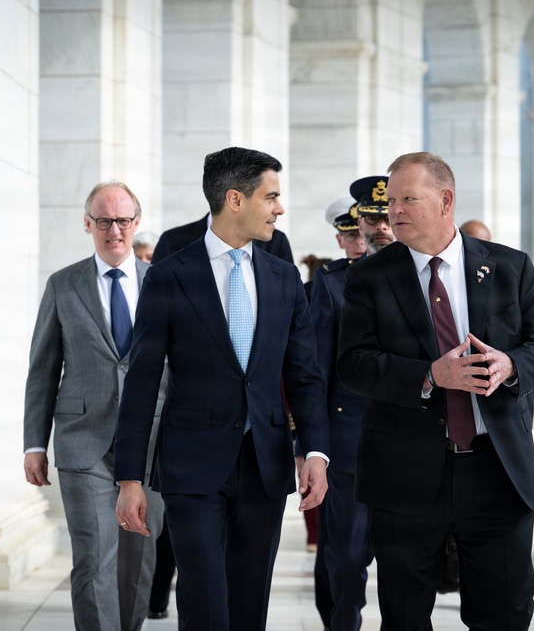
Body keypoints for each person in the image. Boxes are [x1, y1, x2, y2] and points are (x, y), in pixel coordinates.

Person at [337, 152, 534, 630]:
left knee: (504, 613)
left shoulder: (509, 266)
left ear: (446, 200)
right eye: (392, 200)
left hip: (496, 472)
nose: (394, 211)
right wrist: (430, 375)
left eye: (407, 199)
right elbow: (353, 366)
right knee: (404, 617)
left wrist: (511, 363)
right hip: (404, 476)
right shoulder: (368, 277)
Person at [113, 146, 331, 631]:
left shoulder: (283, 278)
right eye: (271, 196)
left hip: (266, 462)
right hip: (192, 464)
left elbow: (304, 375)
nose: (279, 207)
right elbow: (143, 381)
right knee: (205, 597)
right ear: (235, 199)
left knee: (250, 601)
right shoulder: (170, 276)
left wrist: (315, 451)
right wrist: (130, 478)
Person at [23, 180, 164, 631]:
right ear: (88, 224)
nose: (115, 230)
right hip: (85, 441)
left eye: (123, 220)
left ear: (137, 223)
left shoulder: (163, 284)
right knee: (94, 557)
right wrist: (34, 444)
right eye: (104, 221)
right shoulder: (63, 285)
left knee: (138, 558)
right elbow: (42, 369)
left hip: (152, 442)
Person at [309, 178, 394, 631]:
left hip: (411, 442)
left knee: (406, 561)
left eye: (386, 216)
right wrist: (312, 446)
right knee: (346, 554)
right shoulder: (331, 285)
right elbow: (316, 373)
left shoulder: (426, 277)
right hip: (350, 441)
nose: (379, 228)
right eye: (371, 218)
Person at [150, 210, 294, 265]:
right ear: (234, 199)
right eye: (268, 197)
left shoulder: (276, 241)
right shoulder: (172, 241)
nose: (278, 208)